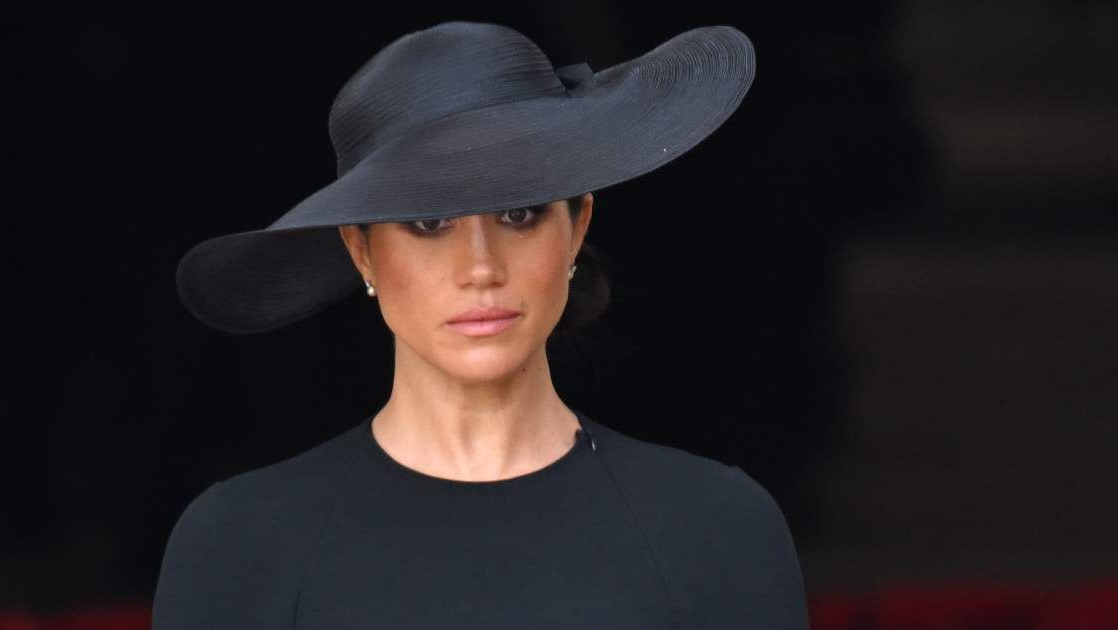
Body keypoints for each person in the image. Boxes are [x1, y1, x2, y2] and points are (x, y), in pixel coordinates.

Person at [155, 20, 810, 629]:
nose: (480, 267)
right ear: (360, 250)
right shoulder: (238, 546)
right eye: (429, 221)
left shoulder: (718, 531)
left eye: (520, 212)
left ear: (578, 225)